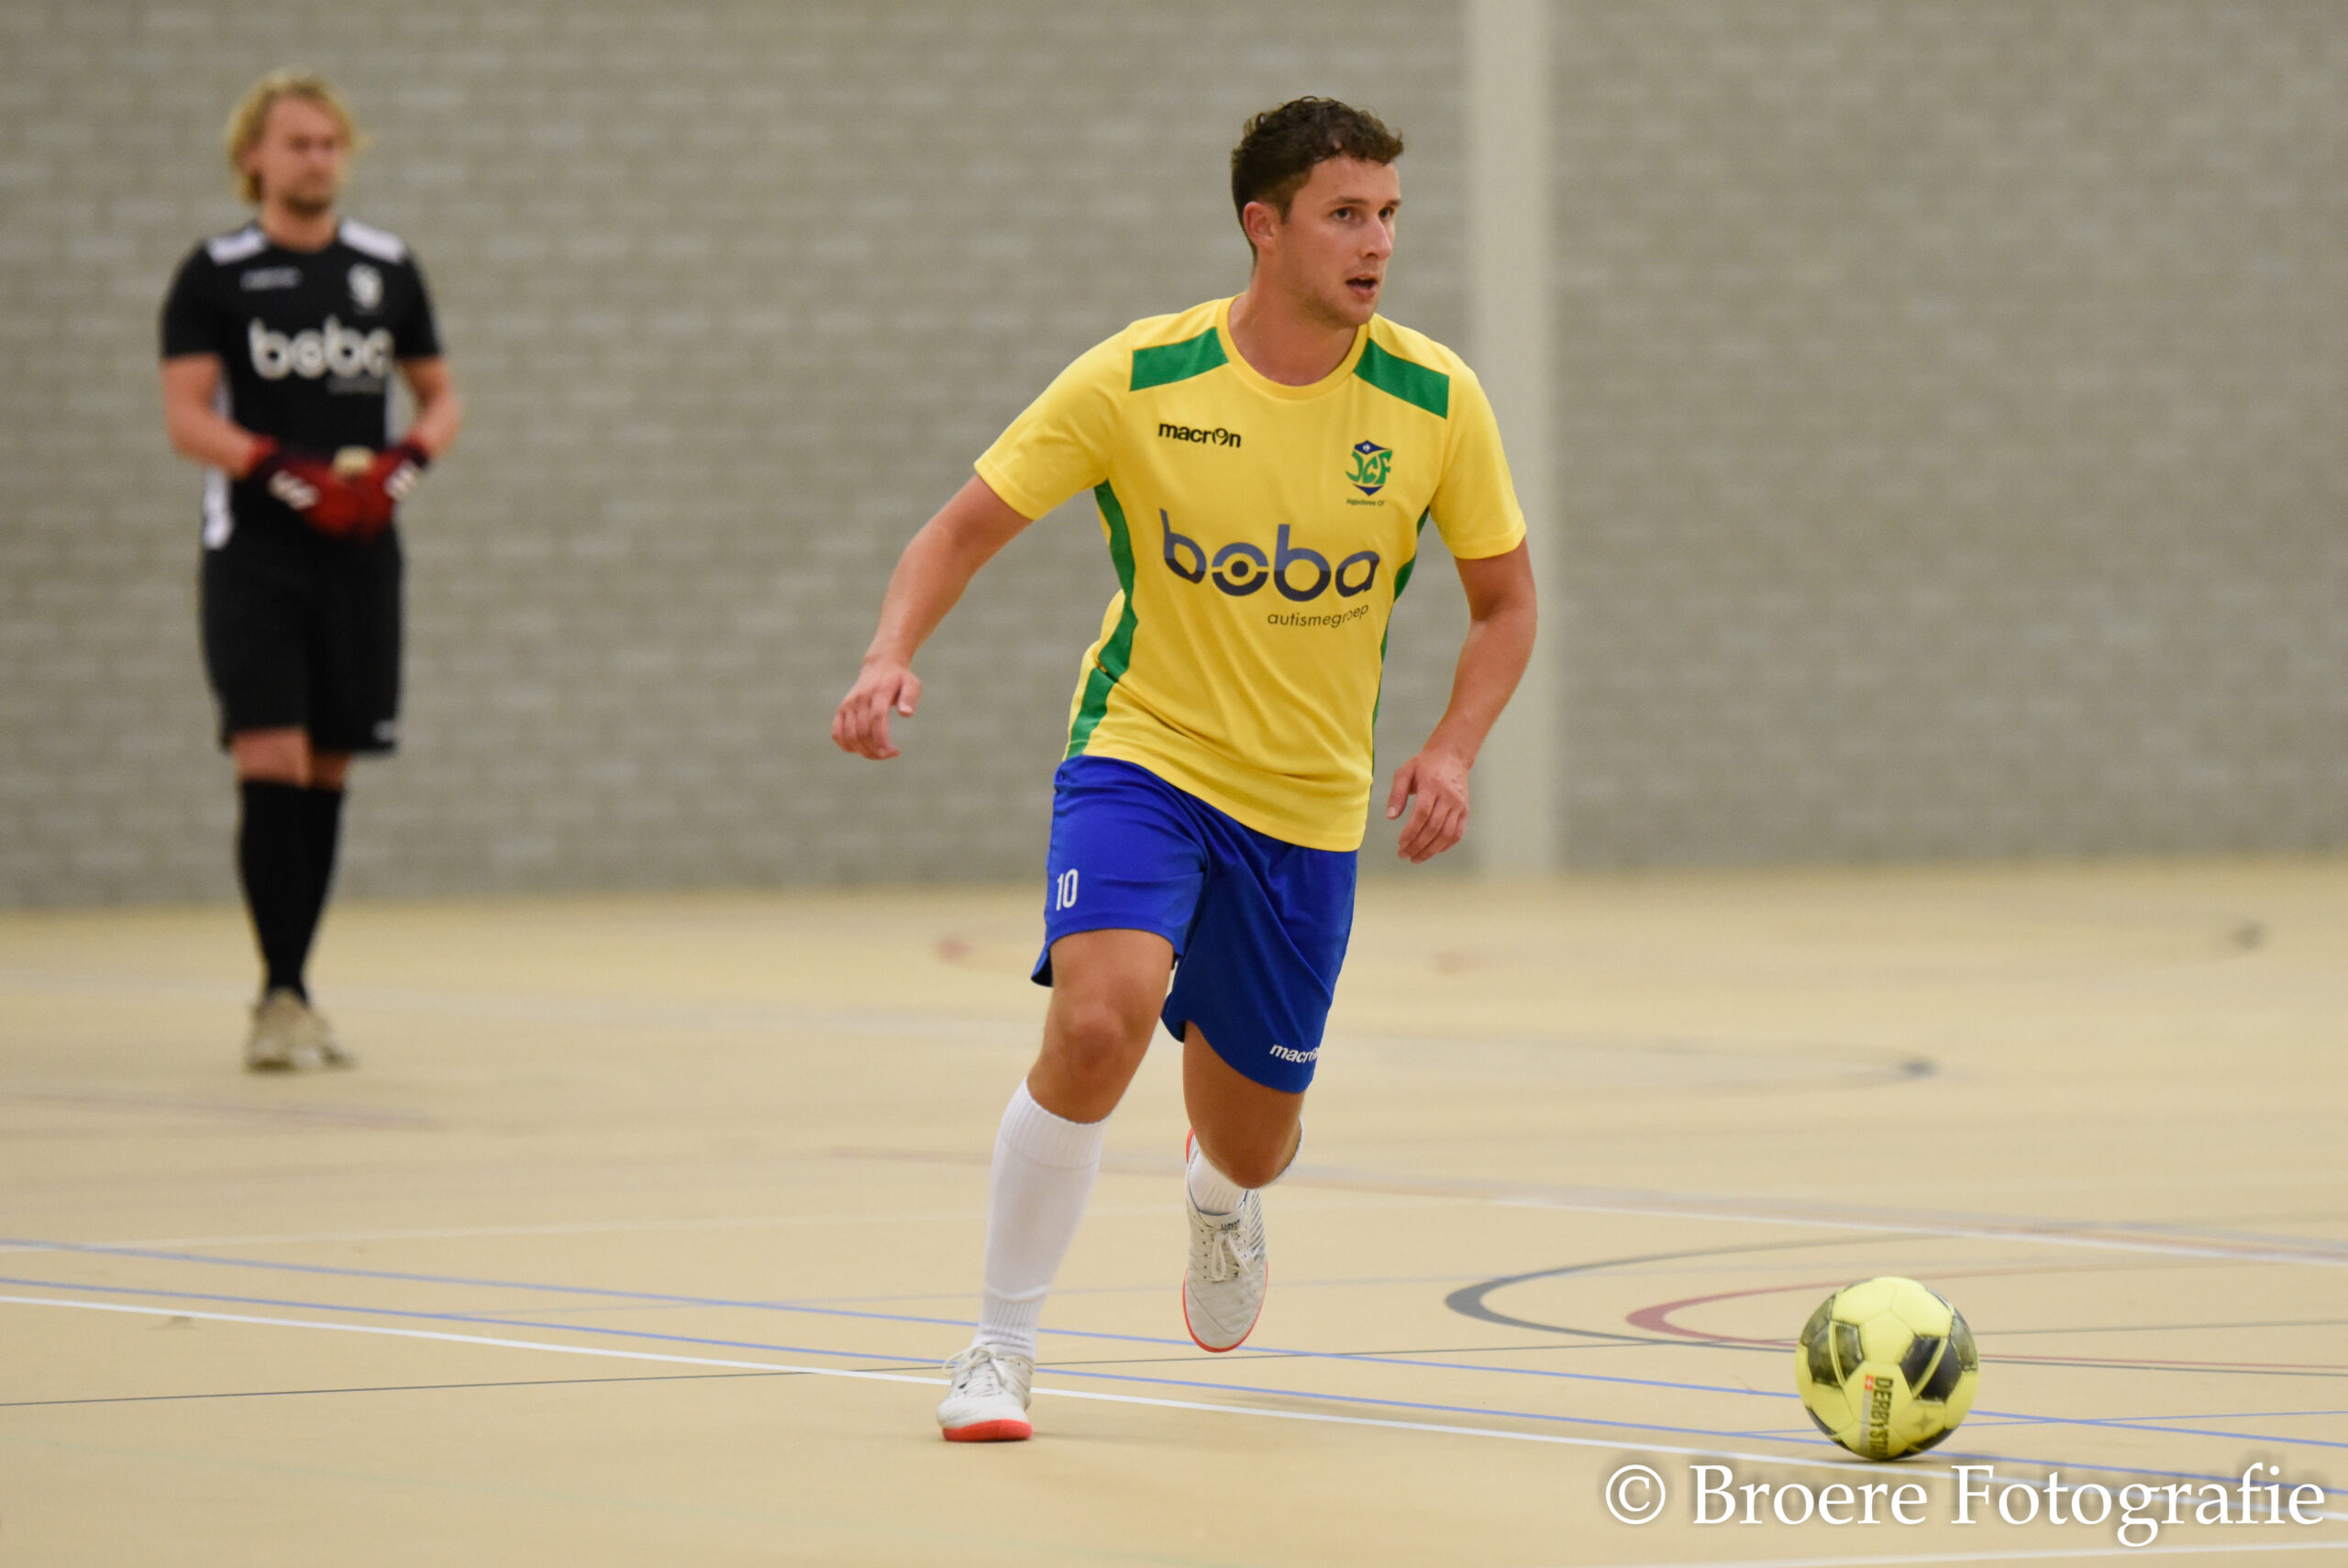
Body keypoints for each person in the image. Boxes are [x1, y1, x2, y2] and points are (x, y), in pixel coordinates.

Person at [831, 97, 1536, 1441]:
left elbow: (1506, 603)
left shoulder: (1436, 399)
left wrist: (1452, 747)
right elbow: (958, 530)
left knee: (1254, 1136)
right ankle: (999, 1347)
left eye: (1389, 214)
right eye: (1345, 214)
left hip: (1307, 806)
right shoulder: (1139, 379)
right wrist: (886, 653)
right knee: (1098, 1024)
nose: (1377, 241)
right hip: (1143, 756)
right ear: (1263, 226)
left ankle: (1222, 1198)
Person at [160, 71, 462, 1071]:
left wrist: (399, 469)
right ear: (253, 156)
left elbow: (440, 399)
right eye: (297, 144)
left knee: (330, 763)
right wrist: (283, 472)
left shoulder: (384, 267)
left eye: (330, 144)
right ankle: (278, 994)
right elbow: (187, 417)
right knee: (271, 757)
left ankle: (296, 986)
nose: (317, 160)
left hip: (359, 555)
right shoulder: (216, 275)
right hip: (254, 556)